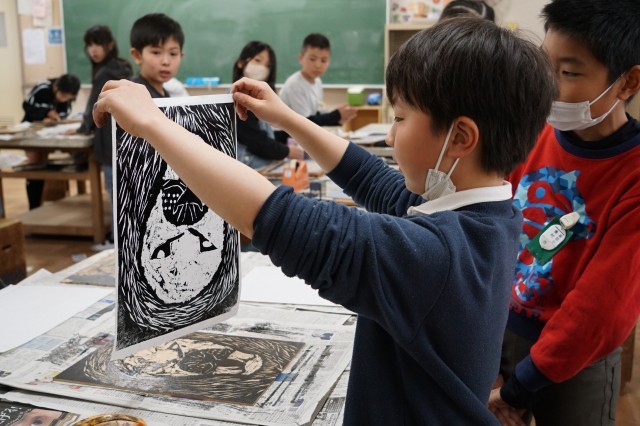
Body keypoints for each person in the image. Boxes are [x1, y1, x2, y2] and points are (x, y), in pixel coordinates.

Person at [93, 18, 555, 424]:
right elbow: (374, 181)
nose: (390, 134)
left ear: (460, 137)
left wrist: (153, 125)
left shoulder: (439, 257)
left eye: (400, 118)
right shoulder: (489, 216)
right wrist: (287, 117)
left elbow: (288, 222)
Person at [488, 1, 640, 425]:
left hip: (576, 361)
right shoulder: (535, 134)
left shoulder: (632, 175)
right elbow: (494, 228)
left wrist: (521, 386)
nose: (548, 87)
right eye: (545, 66)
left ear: (628, 82)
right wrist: (491, 360)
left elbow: (601, 307)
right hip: (502, 332)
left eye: (569, 73)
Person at [69, 25, 132, 248]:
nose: (93, 50)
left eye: (97, 44)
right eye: (89, 45)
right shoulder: (123, 67)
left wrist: (83, 127)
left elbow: (94, 106)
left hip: (109, 143)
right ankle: (122, 242)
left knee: (115, 196)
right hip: (123, 139)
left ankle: (115, 244)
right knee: (124, 196)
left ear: (110, 45)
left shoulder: (104, 73)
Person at [232, 41, 304, 169]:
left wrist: (288, 134)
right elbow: (256, 141)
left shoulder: (256, 97)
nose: (262, 68)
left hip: (263, 166)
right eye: (257, 60)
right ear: (241, 63)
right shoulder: (238, 98)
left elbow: (264, 134)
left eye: (268, 65)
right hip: (249, 169)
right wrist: (287, 151)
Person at [21, 73, 80, 209]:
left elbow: (63, 114)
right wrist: (45, 113)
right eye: (63, 95)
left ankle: (40, 205)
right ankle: (34, 206)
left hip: (49, 134)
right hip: (32, 131)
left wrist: (55, 119)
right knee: (34, 165)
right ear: (56, 87)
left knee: (42, 165)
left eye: (69, 97)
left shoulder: (67, 99)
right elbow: (27, 105)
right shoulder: (43, 88)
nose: (65, 99)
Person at [278, 33, 357, 131]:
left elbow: (315, 115)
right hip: (285, 136)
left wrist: (338, 120)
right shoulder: (295, 84)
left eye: (324, 60)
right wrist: (337, 115)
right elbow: (305, 122)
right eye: (312, 59)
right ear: (301, 58)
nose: (318, 65)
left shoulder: (317, 81)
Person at [129, 13, 184, 98]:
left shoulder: (164, 93)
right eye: (156, 53)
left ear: (181, 56)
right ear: (137, 56)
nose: (166, 62)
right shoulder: (133, 94)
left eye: (173, 53)